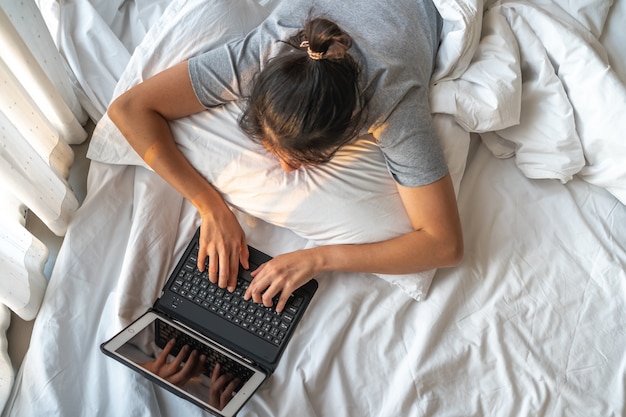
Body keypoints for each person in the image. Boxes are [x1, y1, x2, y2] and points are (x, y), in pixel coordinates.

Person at [108, 0, 463, 313]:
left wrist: (319, 258)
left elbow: (444, 244)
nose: (285, 168)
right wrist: (209, 205)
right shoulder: (267, 50)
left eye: (306, 160)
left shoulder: (393, 103)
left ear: (351, 128)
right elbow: (129, 109)